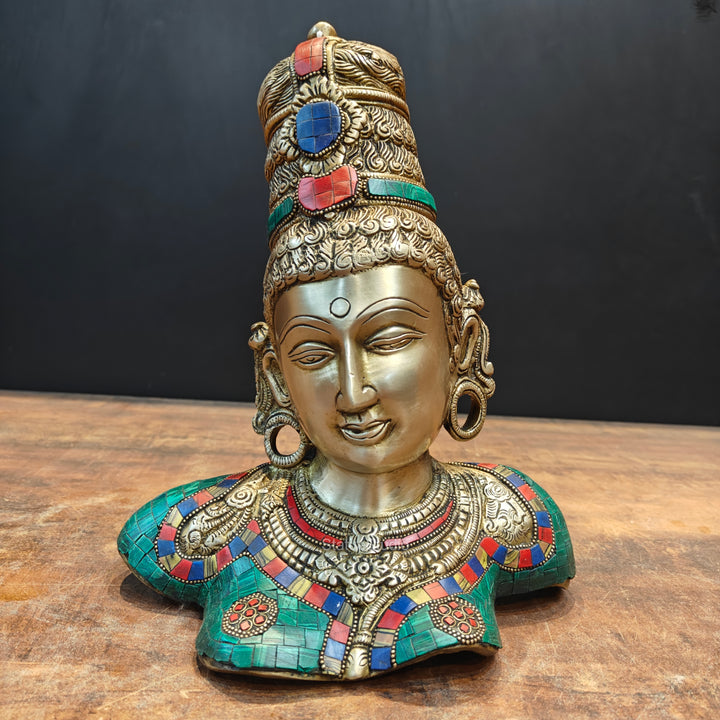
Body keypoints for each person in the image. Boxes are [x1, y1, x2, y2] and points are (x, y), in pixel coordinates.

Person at [118, 22, 575, 680]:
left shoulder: (518, 521)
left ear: (463, 345)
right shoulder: (190, 533)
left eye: (387, 340)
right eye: (313, 354)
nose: (354, 392)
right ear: (273, 375)